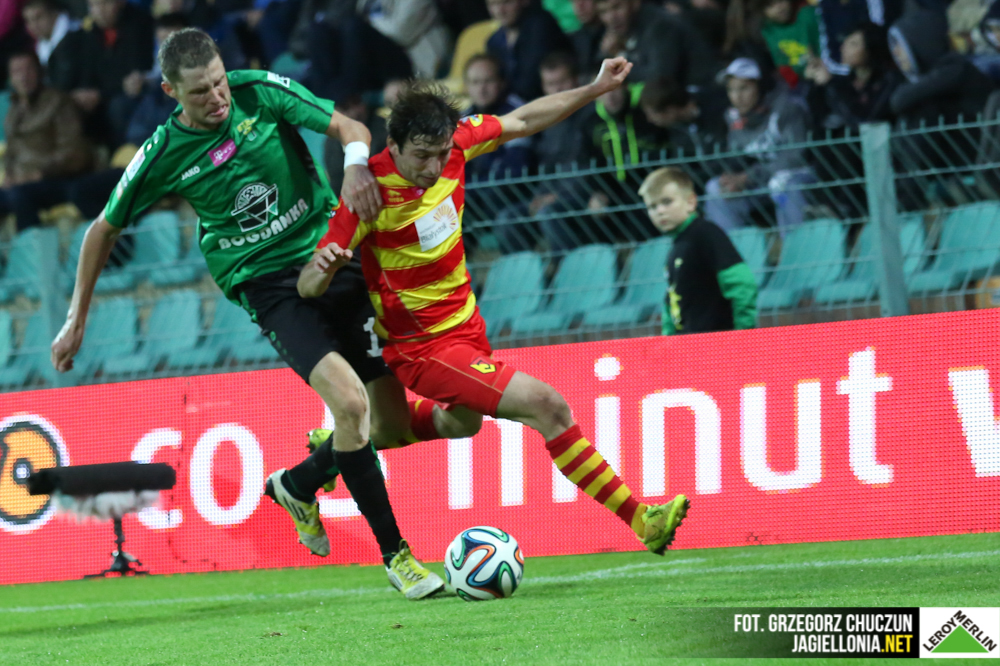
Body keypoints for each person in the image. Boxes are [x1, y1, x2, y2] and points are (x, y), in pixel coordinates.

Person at [49, 27, 477, 600]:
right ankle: (398, 557)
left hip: (331, 255)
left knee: (389, 426)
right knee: (350, 405)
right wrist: (76, 318)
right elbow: (102, 229)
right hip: (267, 285)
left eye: (218, 82)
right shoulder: (162, 152)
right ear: (171, 92)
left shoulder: (258, 92)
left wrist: (355, 165)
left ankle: (298, 483)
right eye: (199, 92)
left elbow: (352, 128)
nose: (216, 98)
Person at [299, 59, 691, 557]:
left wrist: (594, 88)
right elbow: (308, 286)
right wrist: (325, 266)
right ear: (392, 145)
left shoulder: (456, 144)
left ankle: (339, 446)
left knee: (460, 425)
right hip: (423, 348)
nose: (433, 167)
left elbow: (523, 119)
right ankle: (641, 518)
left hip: (466, 326)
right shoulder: (367, 194)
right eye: (420, 156)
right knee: (547, 406)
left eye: (440, 154)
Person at [2, 51, 120, 231]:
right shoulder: (13, 112)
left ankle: (35, 247)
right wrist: (9, 175)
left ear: (40, 72)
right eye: (17, 71)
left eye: (28, 69)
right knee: (14, 194)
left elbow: (74, 153)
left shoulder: (58, 102)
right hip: (22, 182)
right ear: (10, 78)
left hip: (58, 180)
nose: (23, 76)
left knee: (20, 196)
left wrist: (38, 174)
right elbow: (11, 153)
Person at [639, 167, 757, 335]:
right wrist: (668, 340)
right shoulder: (676, 247)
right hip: (690, 345)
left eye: (667, 202)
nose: (660, 211)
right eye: (652, 206)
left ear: (691, 202)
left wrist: (743, 335)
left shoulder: (706, 234)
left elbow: (742, 283)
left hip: (717, 343)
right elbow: (672, 300)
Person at [705, 58, 814, 237]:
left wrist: (749, 177)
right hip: (759, 181)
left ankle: (796, 248)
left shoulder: (786, 107)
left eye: (744, 88)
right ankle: (732, 250)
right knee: (715, 188)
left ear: (761, 87)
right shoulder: (733, 117)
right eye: (731, 90)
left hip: (798, 176)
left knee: (781, 183)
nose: (737, 97)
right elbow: (736, 156)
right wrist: (731, 177)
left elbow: (795, 157)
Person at [47, 0, 156, 148]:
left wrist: (101, 94)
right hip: (99, 95)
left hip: (127, 96)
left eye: (105, 3)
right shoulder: (87, 34)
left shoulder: (139, 26)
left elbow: (132, 78)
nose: (100, 10)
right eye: (94, 5)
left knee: (118, 107)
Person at [804, 21, 900, 129]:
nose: (843, 48)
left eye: (853, 44)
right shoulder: (845, 82)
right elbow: (820, 118)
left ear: (871, 48)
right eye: (845, 42)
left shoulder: (889, 80)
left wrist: (830, 84)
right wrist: (815, 85)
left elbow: (864, 121)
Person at [486, 0, 570, 101]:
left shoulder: (541, 25)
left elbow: (530, 83)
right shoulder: (493, 42)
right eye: (493, 4)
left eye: (506, 2)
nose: (499, 11)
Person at [22, 0, 77, 68]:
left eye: (38, 17)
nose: (33, 25)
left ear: (53, 14)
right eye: (28, 21)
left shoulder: (77, 37)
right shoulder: (39, 47)